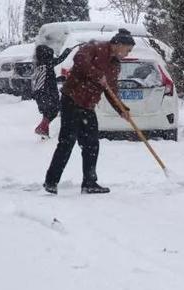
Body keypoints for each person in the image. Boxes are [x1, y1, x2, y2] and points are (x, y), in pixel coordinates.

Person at [43, 29, 135, 195]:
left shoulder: (114, 65)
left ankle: (89, 183)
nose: (127, 54)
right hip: (72, 99)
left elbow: (111, 90)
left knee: (92, 144)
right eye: (127, 50)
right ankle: (51, 181)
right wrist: (97, 74)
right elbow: (79, 59)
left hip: (88, 105)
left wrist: (122, 109)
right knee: (67, 141)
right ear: (119, 44)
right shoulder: (95, 47)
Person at [32, 45, 73, 138]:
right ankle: (42, 128)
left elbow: (47, 78)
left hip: (40, 93)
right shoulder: (48, 63)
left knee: (47, 112)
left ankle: (44, 133)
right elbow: (60, 59)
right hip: (47, 92)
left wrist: (58, 79)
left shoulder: (40, 64)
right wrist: (67, 51)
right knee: (55, 110)